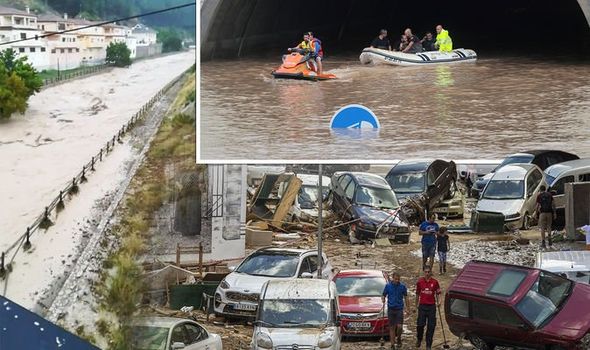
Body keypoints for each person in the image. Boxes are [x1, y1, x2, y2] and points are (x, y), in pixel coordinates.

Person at [415, 266, 441, 350]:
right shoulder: (420, 282)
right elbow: (417, 294)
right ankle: (419, 339)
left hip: (431, 306)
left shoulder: (435, 282)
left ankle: (428, 344)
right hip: (422, 306)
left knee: (431, 326)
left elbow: (438, 293)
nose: (427, 273)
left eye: (428, 272)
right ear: (424, 272)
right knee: (420, 325)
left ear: (430, 272)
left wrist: (439, 301)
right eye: (425, 272)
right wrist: (416, 305)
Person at [382, 272, 410, 350]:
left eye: (398, 279)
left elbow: (406, 297)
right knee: (392, 327)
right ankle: (392, 345)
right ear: (392, 278)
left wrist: (408, 308)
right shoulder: (388, 286)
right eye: (395, 279)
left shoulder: (402, 286)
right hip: (391, 309)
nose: (397, 281)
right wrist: (383, 298)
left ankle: (399, 338)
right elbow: (383, 294)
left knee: (400, 327)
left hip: (399, 309)